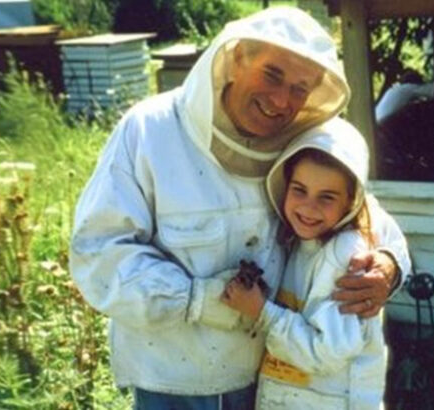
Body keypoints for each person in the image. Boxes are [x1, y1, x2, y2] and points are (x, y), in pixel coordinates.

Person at [69, 6, 411, 410]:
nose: (282, 100)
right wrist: (195, 298)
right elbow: (98, 252)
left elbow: (362, 212)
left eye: (300, 88)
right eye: (272, 74)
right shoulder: (149, 130)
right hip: (173, 383)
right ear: (235, 59)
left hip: (269, 381)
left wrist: (389, 265)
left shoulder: (302, 140)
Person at [223, 118, 387, 409]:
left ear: (351, 201)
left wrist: (262, 312)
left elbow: (329, 351)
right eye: (299, 190)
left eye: (327, 197)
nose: (308, 207)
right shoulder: (297, 243)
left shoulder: (347, 257)